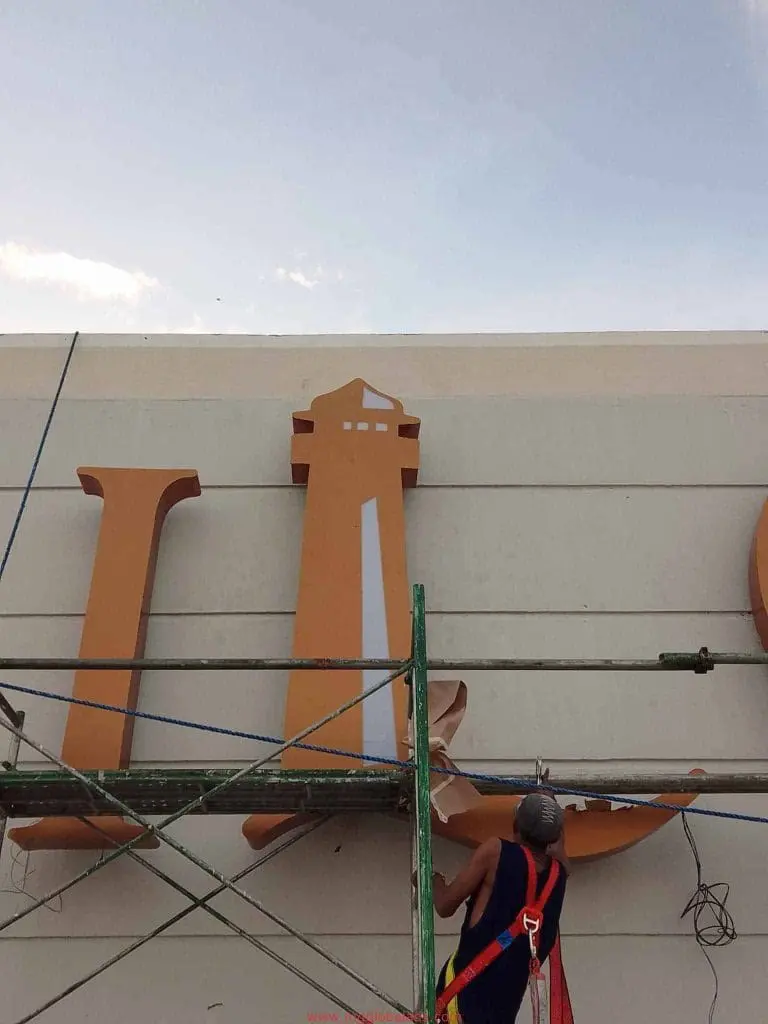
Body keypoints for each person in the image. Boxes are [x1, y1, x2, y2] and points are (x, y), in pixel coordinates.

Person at [427, 793, 570, 1024]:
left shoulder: (496, 853)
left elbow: (444, 905)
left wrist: (431, 878)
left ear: (515, 825)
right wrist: (551, 810)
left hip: (457, 1010)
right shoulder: (558, 878)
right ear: (554, 838)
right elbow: (560, 855)